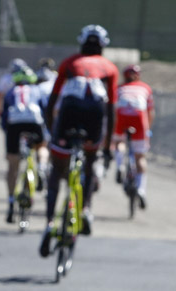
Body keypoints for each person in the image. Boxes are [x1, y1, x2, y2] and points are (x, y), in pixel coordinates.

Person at [41, 24, 117, 255]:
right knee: (91, 160)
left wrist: (52, 132)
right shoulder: (109, 67)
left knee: (57, 169)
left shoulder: (69, 62)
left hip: (70, 111)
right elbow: (111, 110)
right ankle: (85, 210)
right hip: (95, 113)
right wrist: (105, 145)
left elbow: (53, 100)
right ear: (103, 46)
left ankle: (49, 223)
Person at [2, 63, 48, 224]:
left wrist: (6, 131)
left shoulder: (11, 91)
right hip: (34, 122)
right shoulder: (37, 90)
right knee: (42, 146)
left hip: (14, 123)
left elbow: (4, 114)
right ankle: (41, 167)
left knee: (12, 164)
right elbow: (44, 110)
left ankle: (10, 201)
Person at [112, 64, 154, 207]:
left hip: (122, 115)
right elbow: (150, 112)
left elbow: (113, 107)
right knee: (140, 157)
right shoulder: (145, 88)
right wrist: (148, 128)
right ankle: (141, 189)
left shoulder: (119, 88)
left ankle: (119, 166)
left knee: (119, 143)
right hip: (139, 119)